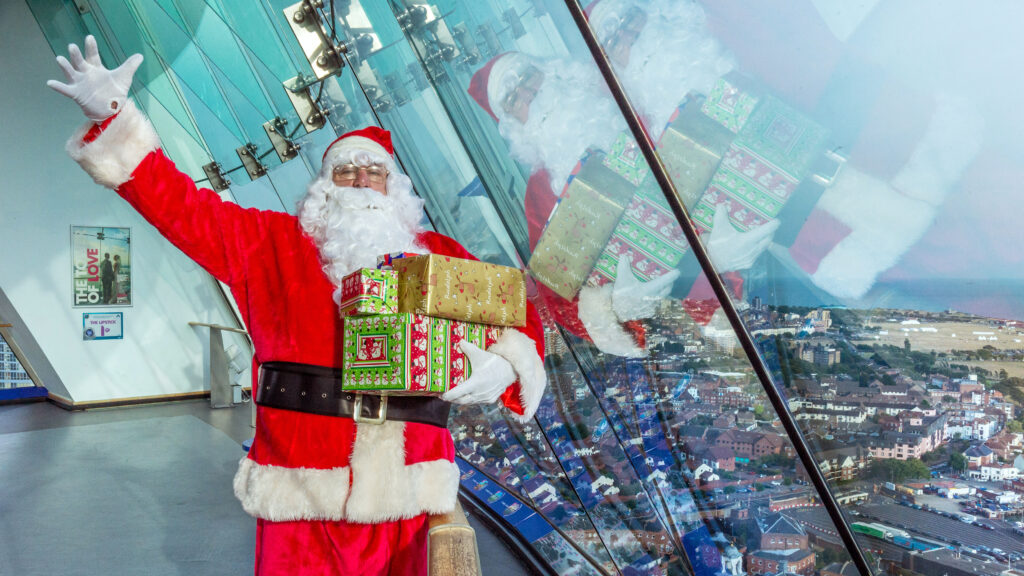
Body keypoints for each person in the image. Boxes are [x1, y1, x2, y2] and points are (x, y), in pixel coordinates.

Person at [49, 36, 547, 575]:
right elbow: (182, 207)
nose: (361, 181)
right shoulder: (269, 244)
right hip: (302, 493)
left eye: (374, 171)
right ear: (323, 187)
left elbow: (516, 309)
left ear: (394, 187)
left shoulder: (438, 255)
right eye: (347, 170)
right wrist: (116, 118)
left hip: (411, 487)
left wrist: (504, 364)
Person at [468, 51, 773, 356]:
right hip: (688, 319)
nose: (528, 95)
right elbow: (559, 296)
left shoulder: (628, 102)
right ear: (513, 124)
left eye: (527, 78)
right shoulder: (539, 195)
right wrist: (610, 309)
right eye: (513, 99)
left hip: (761, 254)